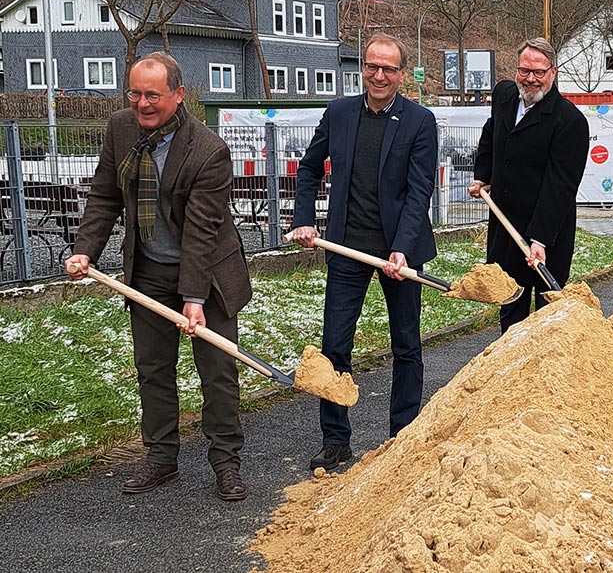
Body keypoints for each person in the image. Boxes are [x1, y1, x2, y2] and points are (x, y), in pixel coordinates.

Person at [66, 52, 252, 501]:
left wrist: (192, 297)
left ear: (179, 94)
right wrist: (84, 249)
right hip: (146, 270)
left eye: (153, 95)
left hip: (207, 274)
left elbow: (202, 232)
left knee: (217, 372)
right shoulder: (121, 128)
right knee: (152, 369)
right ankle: (161, 458)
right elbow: (105, 196)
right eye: (135, 94)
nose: (143, 104)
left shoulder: (208, 149)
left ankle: (225, 462)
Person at [291, 33, 438, 470]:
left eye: (388, 69)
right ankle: (335, 440)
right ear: (363, 68)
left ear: (401, 74)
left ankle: (404, 434)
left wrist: (402, 250)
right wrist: (303, 218)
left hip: (400, 252)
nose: (378, 75)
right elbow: (309, 167)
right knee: (335, 347)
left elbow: (418, 192)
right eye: (372, 66)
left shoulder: (418, 121)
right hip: (346, 247)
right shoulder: (338, 113)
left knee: (407, 345)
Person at [468, 38, 589, 333]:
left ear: (553, 72)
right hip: (505, 226)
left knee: (546, 316)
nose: (531, 79)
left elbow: (560, 186)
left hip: (547, 234)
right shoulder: (505, 97)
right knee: (510, 311)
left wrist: (539, 239)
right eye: (525, 71)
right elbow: (491, 131)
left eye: (539, 72)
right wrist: (483, 174)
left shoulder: (570, 121)